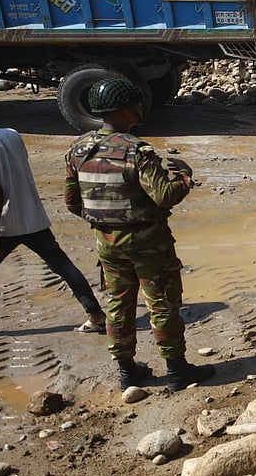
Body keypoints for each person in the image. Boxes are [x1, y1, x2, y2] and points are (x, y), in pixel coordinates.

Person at [64, 77, 215, 391]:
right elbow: (165, 195)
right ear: (122, 111)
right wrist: (185, 175)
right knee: (162, 304)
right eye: (135, 105)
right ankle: (176, 372)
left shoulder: (78, 149)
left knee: (118, 305)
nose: (139, 109)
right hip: (148, 244)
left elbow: (72, 203)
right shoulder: (137, 150)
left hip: (107, 244)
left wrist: (107, 222)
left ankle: (127, 372)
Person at [0, 124, 106, 332]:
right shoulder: (12, 134)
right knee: (63, 267)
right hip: (33, 217)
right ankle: (96, 314)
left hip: (4, 224)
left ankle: (96, 314)